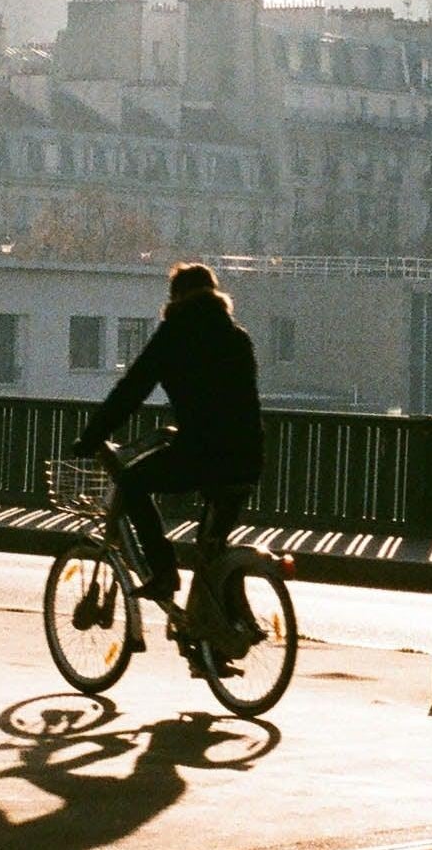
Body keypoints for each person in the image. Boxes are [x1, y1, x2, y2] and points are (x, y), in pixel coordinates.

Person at [68, 262, 263, 614]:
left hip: (202, 452)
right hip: (247, 457)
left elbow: (131, 390)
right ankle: (218, 638)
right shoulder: (238, 337)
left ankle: (163, 571)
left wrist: (92, 436)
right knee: (213, 548)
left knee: (131, 483)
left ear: (176, 297)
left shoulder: (175, 333)